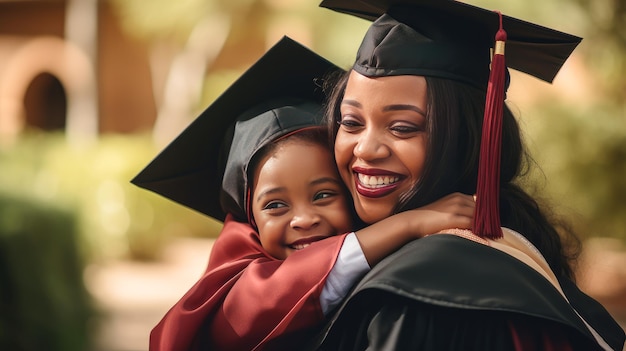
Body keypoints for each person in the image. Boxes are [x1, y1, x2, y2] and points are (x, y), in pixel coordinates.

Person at [307, 0, 626, 350]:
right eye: (351, 122)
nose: (366, 149)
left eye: (402, 127)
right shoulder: (503, 250)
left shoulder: (426, 291)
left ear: (468, 137)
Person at [132, 37, 476, 351]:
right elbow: (255, 305)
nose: (304, 219)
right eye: (276, 205)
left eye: (324, 195)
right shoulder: (237, 270)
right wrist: (406, 224)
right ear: (248, 214)